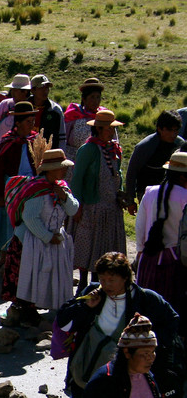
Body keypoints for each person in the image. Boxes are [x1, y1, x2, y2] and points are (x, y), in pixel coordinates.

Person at [56, 252, 179, 398]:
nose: (106, 285)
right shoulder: (93, 293)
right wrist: (86, 307)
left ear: (125, 278)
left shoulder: (144, 299)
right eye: (102, 279)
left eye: (111, 280)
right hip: (86, 369)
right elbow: (64, 323)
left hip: (122, 377)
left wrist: (150, 345)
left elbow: (172, 320)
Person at [1, 149, 80, 324]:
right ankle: (25, 311)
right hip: (31, 241)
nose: (65, 171)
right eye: (61, 168)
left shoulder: (61, 188)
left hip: (52, 240)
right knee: (29, 274)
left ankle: (38, 307)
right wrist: (47, 236)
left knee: (45, 274)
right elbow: (30, 217)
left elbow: (73, 209)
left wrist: (65, 197)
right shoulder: (37, 190)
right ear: (50, 170)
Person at [70, 110, 131, 292]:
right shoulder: (88, 150)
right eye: (108, 129)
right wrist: (77, 207)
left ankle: (100, 283)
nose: (111, 133)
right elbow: (77, 179)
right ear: (98, 129)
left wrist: (120, 194)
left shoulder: (113, 149)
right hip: (91, 207)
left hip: (111, 208)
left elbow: (116, 174)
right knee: (87, 246)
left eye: (112, 129)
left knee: (105, 248)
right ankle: (83, 282)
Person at [135, 151, 187, 323]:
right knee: (171, 308)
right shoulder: (185, 197)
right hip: (175, 260)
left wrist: (140, 251)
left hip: (148, 257)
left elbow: (140, 225)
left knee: (146, 307)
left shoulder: (150, 193)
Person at [0, 100, 38, 253]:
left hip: (30, 188)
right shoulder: (8, 141)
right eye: (28, 122)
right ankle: (5, 256)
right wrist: (1, 194)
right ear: (18, 123)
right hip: (11, 189)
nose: (31, 125)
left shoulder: (34, 140)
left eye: (32, 121)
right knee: (8, 224)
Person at [125, 110, 184, 201]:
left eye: (176, 130)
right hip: (147, 194)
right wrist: (130, 199)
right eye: (169, 130)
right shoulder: (145, 147)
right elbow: (132, 173)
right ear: (160, 129)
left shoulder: (180, 144)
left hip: (173, 194)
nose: (173, 134)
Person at [64, 77, 118, 178]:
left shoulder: (104, 117)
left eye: (98, 97)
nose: (96, 101)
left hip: (99, 162)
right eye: (92, 97)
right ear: (84, 99)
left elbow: (114, 139)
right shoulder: (73, 115)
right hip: (74, 162)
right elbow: (63, 139)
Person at [29, 74, 66, 148]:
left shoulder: (55, 110)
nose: (45, 91)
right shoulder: (24, 107)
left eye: (47, 88)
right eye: (42, 88)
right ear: (33, 90)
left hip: (48, 154)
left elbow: (62, 137)